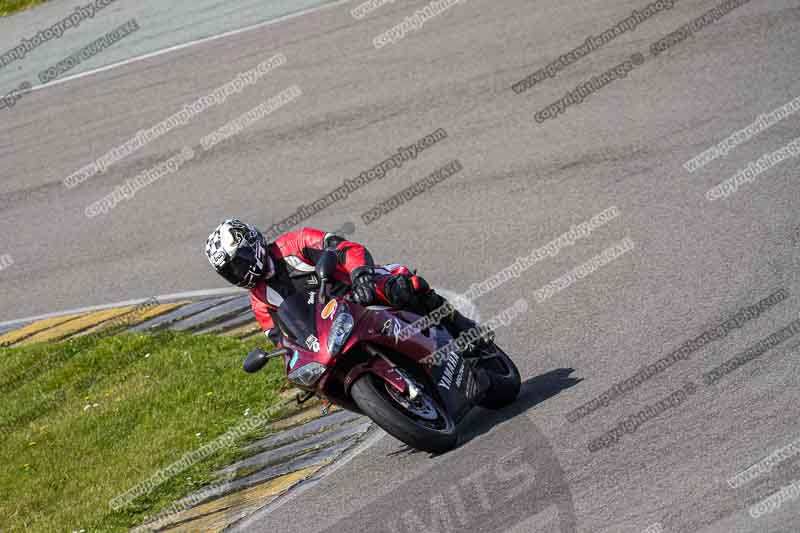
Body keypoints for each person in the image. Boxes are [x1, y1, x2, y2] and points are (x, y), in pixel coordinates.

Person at [204, 218, 490, 350]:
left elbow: (345, 249)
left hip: (360, 294)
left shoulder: (295, 243)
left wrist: (360, 275)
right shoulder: (260, 300)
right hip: (334, 335)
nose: (238, 274)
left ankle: (463, 328)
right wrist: (291, 356)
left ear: (251, 245)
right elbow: (280, 339)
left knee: (406, 287)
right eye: (229, 272)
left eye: (238, 263)